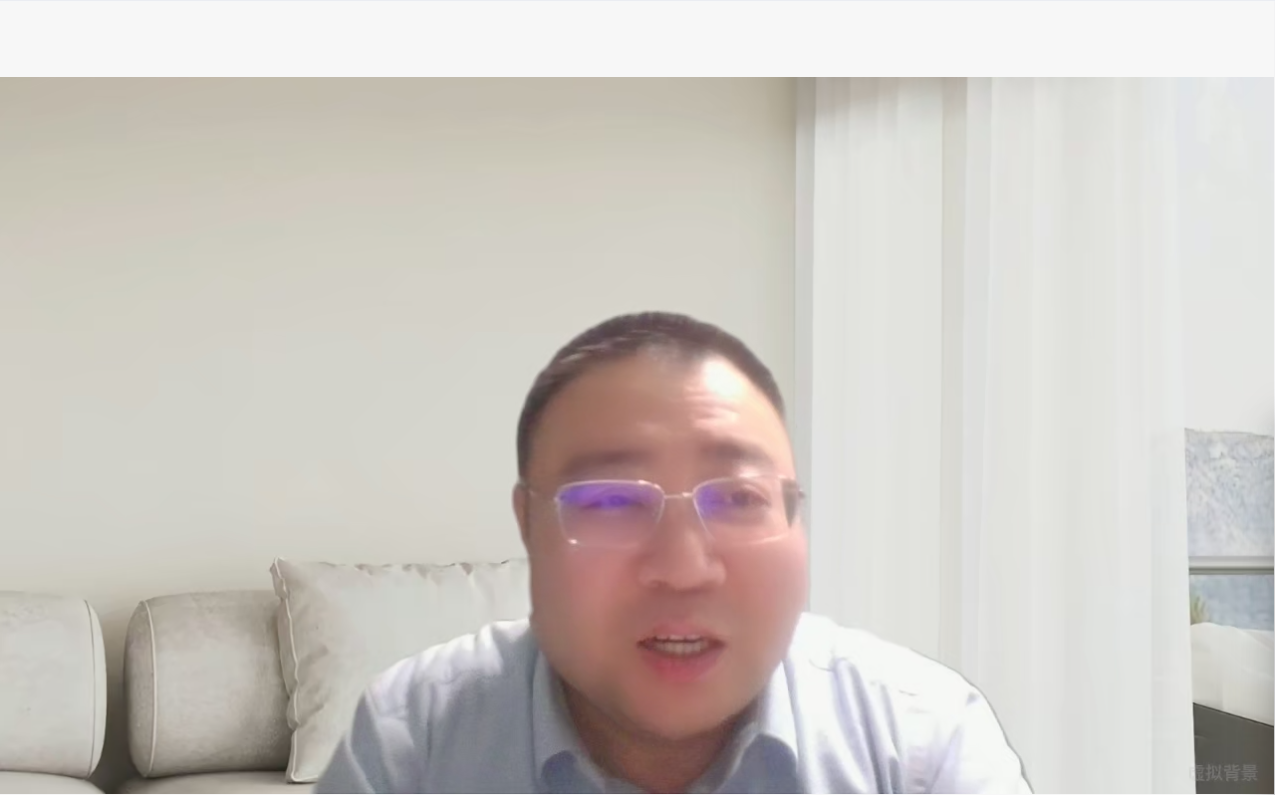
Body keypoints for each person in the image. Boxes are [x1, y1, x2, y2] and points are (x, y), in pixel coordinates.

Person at [314, 311, 1031, 794]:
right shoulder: (416, 740)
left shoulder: (919, 744)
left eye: (739, 499)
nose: (684, 569)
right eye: (609, 504)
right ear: (527, 525)